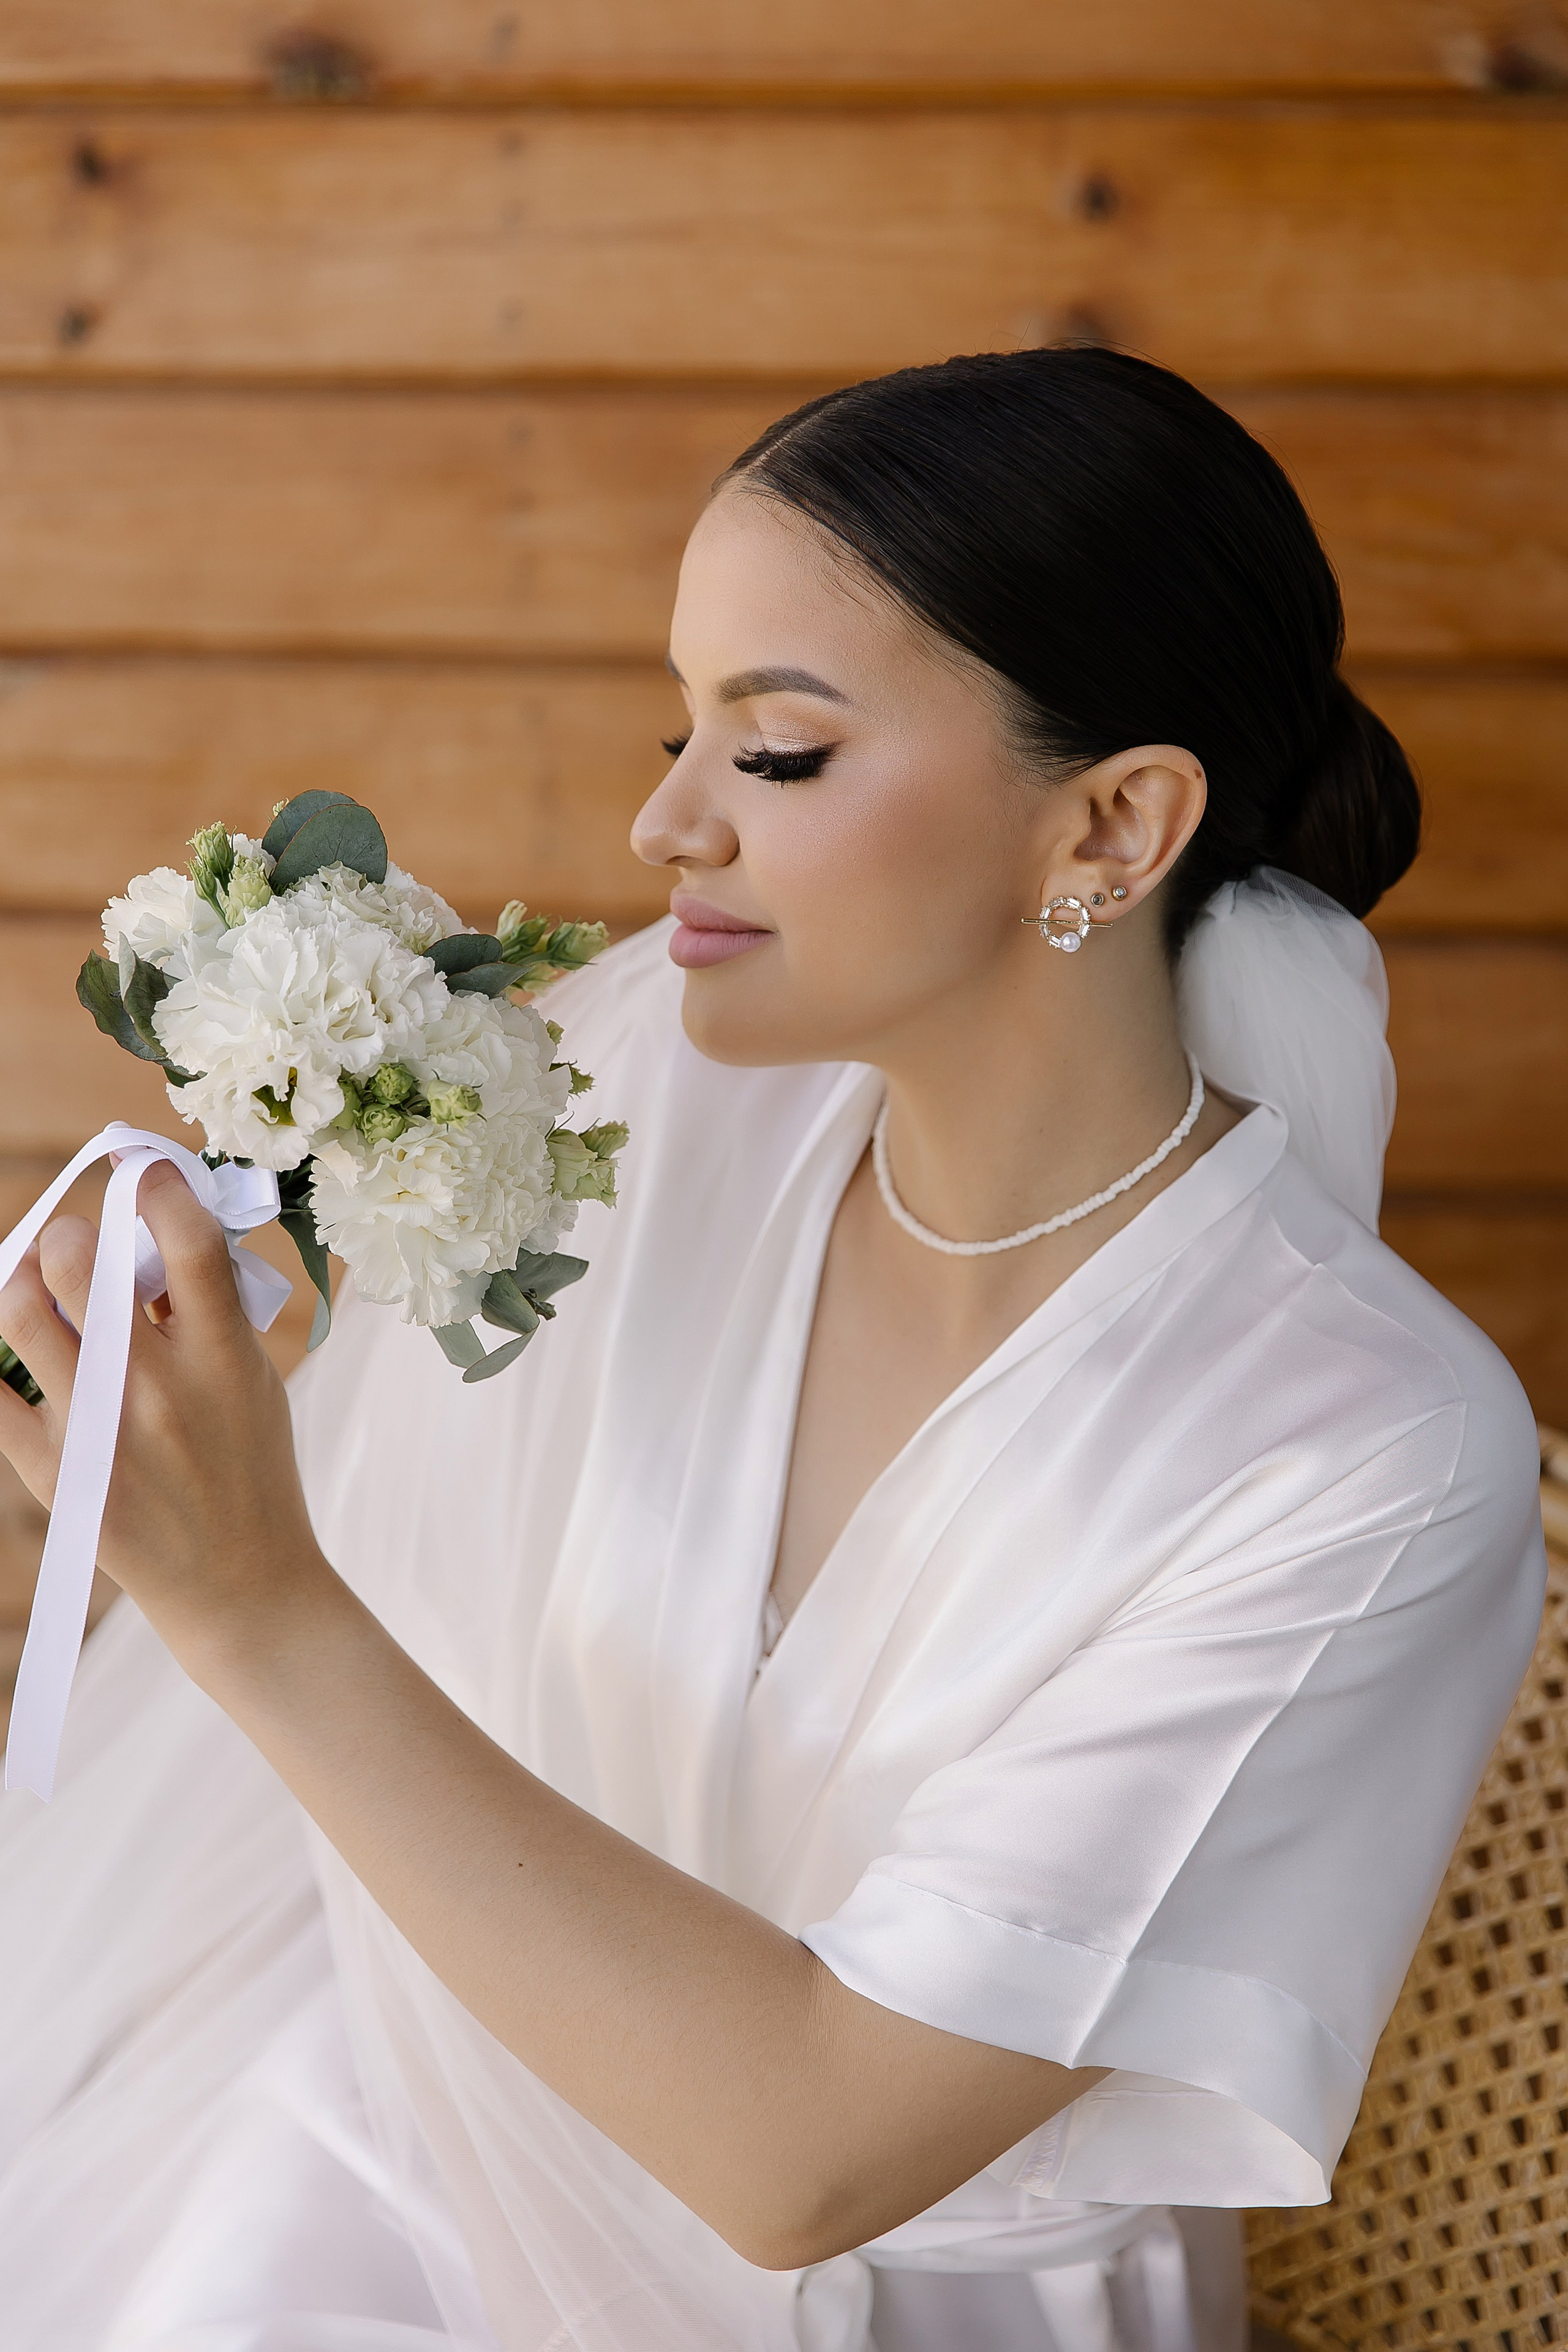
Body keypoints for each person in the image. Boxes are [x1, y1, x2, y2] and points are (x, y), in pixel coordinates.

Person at [0, 349, 1546, 2352]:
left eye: (780, 756)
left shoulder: (1363, 1456)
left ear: (1112, 828)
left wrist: (252, 1602)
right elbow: (442, 1531)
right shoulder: (648, 1095)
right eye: (682, 727)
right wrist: (278, 1345)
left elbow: (810, 2150)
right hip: (410, 2137)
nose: (664, 828)